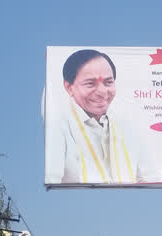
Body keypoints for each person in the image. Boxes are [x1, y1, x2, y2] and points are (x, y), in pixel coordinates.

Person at [48, 49, 139, 185]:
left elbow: (150, 175)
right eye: (90, 84)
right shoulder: (58, 124)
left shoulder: (127, 125)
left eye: (108, 82)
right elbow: (51, 176)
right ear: (69, 87)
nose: (102, 92)